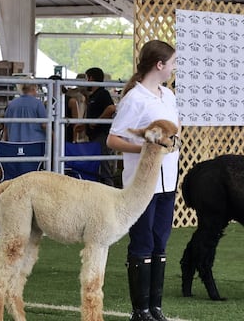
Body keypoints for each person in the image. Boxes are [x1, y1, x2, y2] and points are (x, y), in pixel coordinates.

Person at [107, 40, 180, 321]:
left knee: (160, 239)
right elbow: (114, 139)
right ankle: (140, 310)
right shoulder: (134, 99)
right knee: (142, 240)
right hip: (141, 184)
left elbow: (174, 133)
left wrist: (167, 145)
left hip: (167, 179)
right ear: (159, 65)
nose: (174, 67)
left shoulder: (168, 96)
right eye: (172, 62)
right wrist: (146, 149)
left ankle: (155, 307)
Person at [85, 67, 117, 186]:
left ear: (91, 78)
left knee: (104, 164)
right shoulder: (94, 95)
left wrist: (97, 121)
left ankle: (109, 187)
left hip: (101, 134)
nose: (85, 81)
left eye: (86, 78)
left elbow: (111, 108)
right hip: (95, 135)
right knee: (98, 163)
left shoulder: (103, 94)